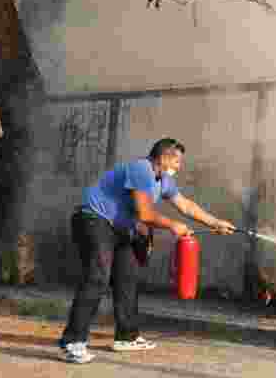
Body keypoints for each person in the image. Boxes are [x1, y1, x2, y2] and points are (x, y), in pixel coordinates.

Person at [59, 138, 236, 364]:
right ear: (162, 157)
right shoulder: (141, 169)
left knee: (127, 278)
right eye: (176, 160)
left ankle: (127, 337)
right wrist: (173, 225)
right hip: (94, 220)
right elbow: (145, 214)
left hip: (120, 227)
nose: (179, 166)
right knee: (97, 278)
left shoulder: (164, 180)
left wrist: (215, 223)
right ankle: (72, 342)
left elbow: (185, 205)